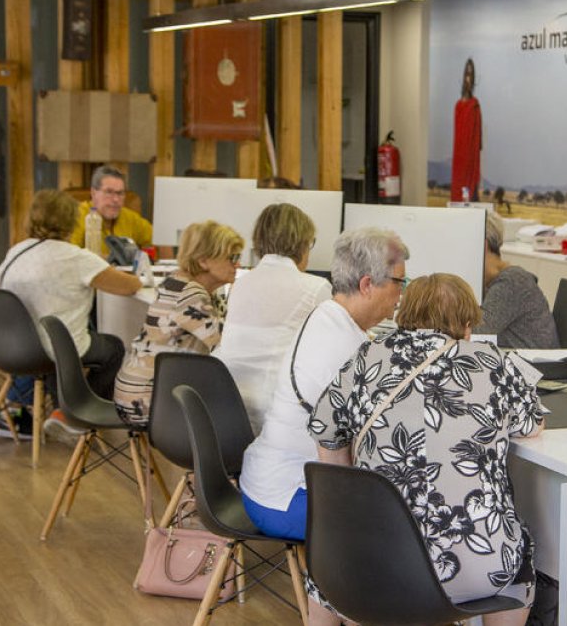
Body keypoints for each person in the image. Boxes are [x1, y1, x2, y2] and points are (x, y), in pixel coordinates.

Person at [310, 273, 544, 624]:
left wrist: (352, 503)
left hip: (370, 565)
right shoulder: (493, 362)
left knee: (323, 574)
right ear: (468, 325)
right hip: (474, 567)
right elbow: (531, 426)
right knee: (519, 566)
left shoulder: (367, 357)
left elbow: (324, 431)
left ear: (404, 315)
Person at [237, 227, 408, 626]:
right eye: (399, 282)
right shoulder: (342, 348)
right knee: (400, 524)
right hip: (284, 496)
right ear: (368, 284)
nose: (401, 294)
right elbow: (377, 442)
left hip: (269, 478)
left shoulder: (329, 317)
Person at [0, 189, 142, 405]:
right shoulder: (75, 257)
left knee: (65, 332)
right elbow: (130, 286)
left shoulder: (16, 251)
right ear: (73, 220)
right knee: (114, 348)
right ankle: (79, 411)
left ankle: (62, 408)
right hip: (56, 348)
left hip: (11, 346)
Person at [210, 203, 332, 433]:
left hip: (222, 407)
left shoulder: (240, 284)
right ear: (302, 244)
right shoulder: (316, 288)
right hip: (270, 414)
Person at [112, 220, 244, 428]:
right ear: (203, 261)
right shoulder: (190, 294)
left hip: (133, 393)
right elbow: (225, 344)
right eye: (232, 258)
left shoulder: (176, 281)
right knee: (241, 417)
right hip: (147, 403)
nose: (238, 265)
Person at [476, 210, 558, 349]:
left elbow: (476, 333)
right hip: (515, 362)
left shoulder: (511, 282)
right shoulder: (488, 282)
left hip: (537, 366)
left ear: (483, 245)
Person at [69, 165, 153, 257]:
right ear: (93, 193)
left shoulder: (130, 218)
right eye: (109, 192)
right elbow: (68, 257)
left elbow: (159, 240)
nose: (116, 199)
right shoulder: (77, 216)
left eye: (120, 193)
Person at [451, 58, 483, 203]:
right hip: (459, 158)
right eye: (467, 75)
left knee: (469, 194)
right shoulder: (458, 106)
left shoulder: (475, 105)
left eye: (471, 75)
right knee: (459, 190)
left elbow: (478, 138)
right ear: (463, 78)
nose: (469, 79)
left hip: (472, 158)